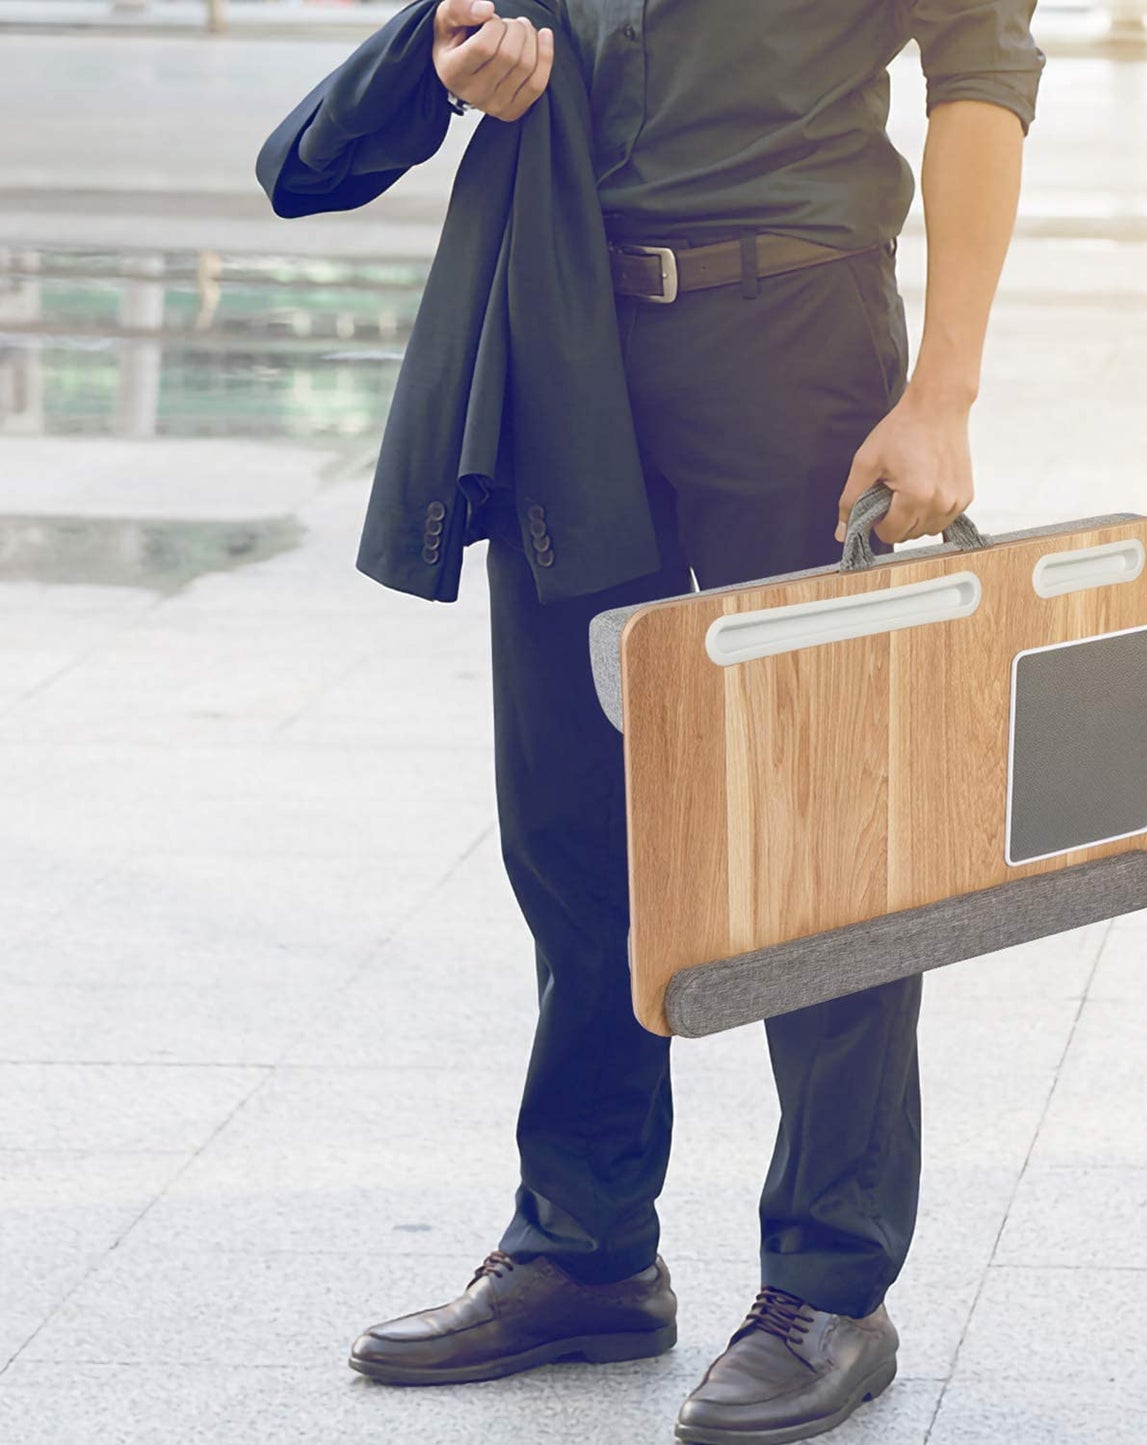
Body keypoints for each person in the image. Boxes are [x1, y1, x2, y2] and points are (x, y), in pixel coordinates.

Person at [347, 2, 1044, 1440]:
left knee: (823, 832)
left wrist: (942, 395)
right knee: (567, 820)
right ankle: (585, 1243)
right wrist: (465, 57)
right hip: (565, 333)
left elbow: (981, 70)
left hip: (792, 341)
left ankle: (827, 1281)